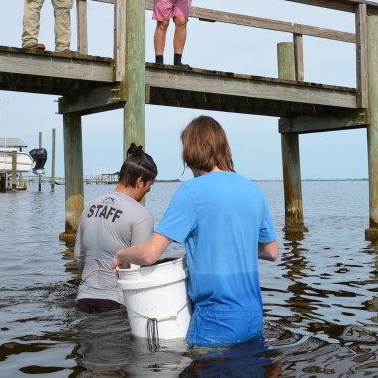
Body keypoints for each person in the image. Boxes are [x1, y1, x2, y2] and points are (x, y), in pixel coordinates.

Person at [112, 116, 279, 348]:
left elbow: (150, 254)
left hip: (215, 323)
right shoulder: (254, 191)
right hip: (253, 318)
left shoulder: (190, 192)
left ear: (191, 152)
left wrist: (122, 254)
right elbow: (271, 252)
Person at [75, 143, 158, 313]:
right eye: (150, 184)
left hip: (82, 300)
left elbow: (78, 258)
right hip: (116, 305)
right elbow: (139, 269)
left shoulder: (90, 206)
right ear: (139, 181)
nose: (149, 190)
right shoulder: (142, 215)